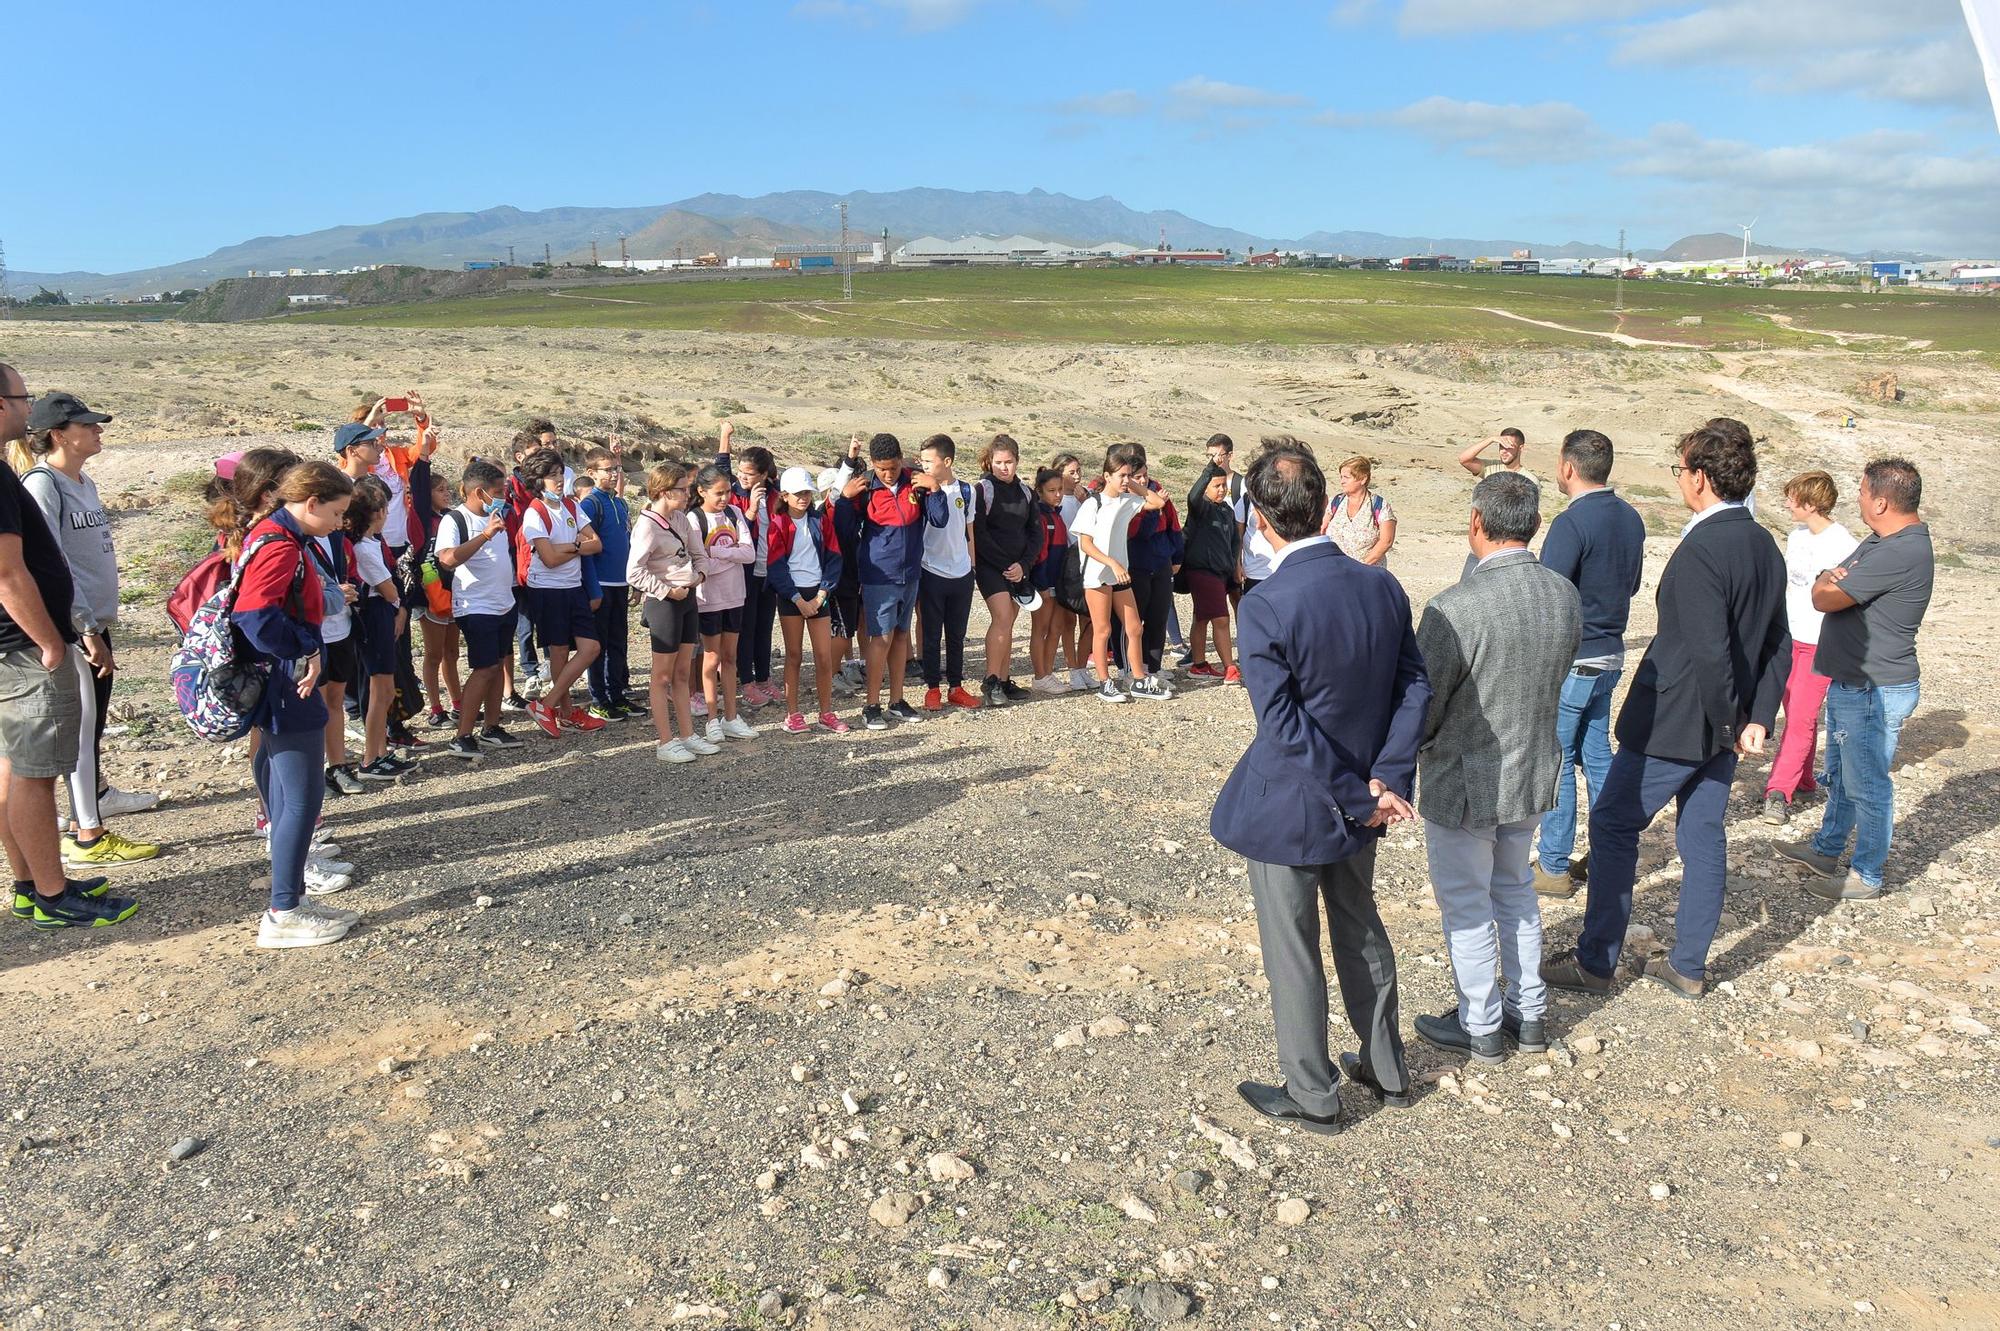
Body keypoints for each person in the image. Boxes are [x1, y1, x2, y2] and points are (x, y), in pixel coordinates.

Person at [1211, 443, 1431, 1132]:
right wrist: (1386, 777)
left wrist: (1365, 790)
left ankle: (1312, 1091)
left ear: (1261, 520)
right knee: (1360, 923)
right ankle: (1387, 1066)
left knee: (1294, 945)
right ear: (1321, 504)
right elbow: (1413, 685)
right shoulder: (1379, 585)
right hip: (1364, 791)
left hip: (1296, 800)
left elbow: (1281, 724)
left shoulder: (1267, 603)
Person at [1543, 422, 1788, 1001]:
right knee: (1702, 833)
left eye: (1680, 471)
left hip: (1679, 720)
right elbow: (1778, 642)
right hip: (1720, 722)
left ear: (1699, 477)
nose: (1679, 480)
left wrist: (1732, 723)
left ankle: (1596, 961)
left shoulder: (1705, 547)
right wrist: (1756, 717)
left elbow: (1709, 649)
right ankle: (1687, 965)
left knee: (1611, 822)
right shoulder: (1763, 543)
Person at [1413, 473, 1581, 1064]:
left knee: (1466, 902)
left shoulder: (1453, 606)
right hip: (1533, 767)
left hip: (1465, 778)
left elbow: (1423, 702)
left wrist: (1416, 748)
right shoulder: (1563, 594)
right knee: (1514, 891)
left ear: (1478, 523)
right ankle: (1528, 1012)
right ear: (1532, 523)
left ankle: (1480, 1021)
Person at [0, 364, 132, 930]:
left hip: (17, 646)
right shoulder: (20, 479)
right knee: (34, 772)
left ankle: (31, 883)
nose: (27, 409)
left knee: (13, 768)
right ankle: (53, 894)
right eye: (21, 398)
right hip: (24, 648)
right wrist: (52, 641)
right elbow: (8, 574)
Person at [12, 393, 163, 866]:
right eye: (88, 425)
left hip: (95, 622)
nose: (98, 431)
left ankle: (90, 804)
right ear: (59, 433)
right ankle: (87, 835)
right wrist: (84, 629)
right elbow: (52, 564)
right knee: (78, 729)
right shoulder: (43, 485)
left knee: (92, 723)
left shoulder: (85, 481)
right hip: (76, 628)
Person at [1776, 459, 1933, 900]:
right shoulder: (1881, 540)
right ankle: (1826, 849)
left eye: (1863, 492)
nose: (1858, 499)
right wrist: (1830, 581)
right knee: (1843, 775)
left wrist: (1829, 582)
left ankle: (1867, 874)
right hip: (1857, 681)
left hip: (1875, 688)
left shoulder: (1900, 550)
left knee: (1868, 783)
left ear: (1881, 501)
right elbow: (1831, 582)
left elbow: (1825, 596)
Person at [234, 460, 361, 948]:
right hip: (291, 684)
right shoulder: (281, 545)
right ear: (311, 503)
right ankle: (283, 911)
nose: (338, 524)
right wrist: (304, 650)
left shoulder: (279, 535)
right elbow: (255, 616)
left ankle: (292, 900)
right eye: (335, 513)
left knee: (286, 791)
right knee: (303, 799)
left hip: (282, 681)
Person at [1531, 429, 1647, 898]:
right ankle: (1606, 857)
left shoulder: (1571, 522)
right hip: (1611, 652)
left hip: (1575, 657)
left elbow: (1550, 594)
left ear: (1568, 467)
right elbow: (1634, 583)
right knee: (1597, 756)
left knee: (1558, 761)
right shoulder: (1631, 517)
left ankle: (1555, 865)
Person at [1760, 471, 1858, 826]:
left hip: (1821, 643)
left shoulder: (1843, 544)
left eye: (1792, 498)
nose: (1787, 504)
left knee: (1801, 717)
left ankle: (1778, 792)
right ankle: (1803, 779)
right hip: (1789, 636)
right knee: (1795, 713)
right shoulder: (1797, 536)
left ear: (1811, 503)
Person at [433, 460, 528, 760]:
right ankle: (462, 735)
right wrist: (485, 535)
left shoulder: (497, 516)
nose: (503, 497)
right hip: (475, 606)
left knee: (498, 663)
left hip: (503, 603)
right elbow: (447, 559)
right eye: (498, 492)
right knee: (484, 667)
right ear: (479, 492)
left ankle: (492, 726)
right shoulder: (455, 520)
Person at [837, 433, 933, 730]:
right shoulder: (865, 486)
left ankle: (897, 700)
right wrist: (844, 498)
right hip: (879, 575)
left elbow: (938, 518)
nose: (888, 474)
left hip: (910, 573)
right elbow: (843, 531)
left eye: (892, 467)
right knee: (881, 638)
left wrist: (937, 490)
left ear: (900, 459)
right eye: (881, 469)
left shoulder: (914, 481)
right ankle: (871, 705)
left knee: (902, 636)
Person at [628, 462, 719, 763]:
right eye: (682, 489)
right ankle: (665, 742)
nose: (688, 493)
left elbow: (699, 554)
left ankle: (687, 734)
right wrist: (667, 590)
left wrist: (700, 576)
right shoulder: (647, 526)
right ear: (665, 491)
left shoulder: (680, 518)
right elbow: (634, 572)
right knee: (662, 676)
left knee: (683, 672)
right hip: (664, 603)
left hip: (687, 597)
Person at [517, 449, 607, 740]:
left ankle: (547, 706)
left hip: (573, 586)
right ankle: (564, 712)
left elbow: (596, 544)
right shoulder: (534, 513)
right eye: (551, 475)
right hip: (547, 590)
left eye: (559, 473)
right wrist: (576, 546)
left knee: (590, 648)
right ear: (538, 481)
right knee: (558, 650)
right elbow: (548, 559)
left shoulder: (570, 505)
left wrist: (569, 548)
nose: (558, 480)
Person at [1075, 444, 1169, 703]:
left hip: (1119, 574)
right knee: (1102, 630)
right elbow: (1085, 544)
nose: (1126, 480)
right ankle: (1105, 683)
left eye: (1129, 474)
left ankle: (1138, 679)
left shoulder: (1128, 500)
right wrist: (1113, 563)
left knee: (1134, 627)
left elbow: (1158, 502)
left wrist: (1135, 485)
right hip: (1097, 575)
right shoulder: (1093, 504)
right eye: (1121, 475)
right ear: (1107, 476)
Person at [767, 466, 850, 734]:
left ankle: (826, 712)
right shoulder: (778, 523)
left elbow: (834, 557)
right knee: (793, 656)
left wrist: (823, 593)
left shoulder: (821, 521)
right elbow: (776, 565)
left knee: (824, 657)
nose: (804, 497)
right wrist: (796, 598)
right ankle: (793, 714)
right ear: (785, 495)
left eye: (807, 492)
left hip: (817, 593)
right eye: (798, 493)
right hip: (792, 595)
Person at [346, 479, 414, 782]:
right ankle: (371, 756)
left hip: (383, 613)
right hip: (374, 615)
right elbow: (387, 588)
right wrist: (398, 604)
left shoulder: (374, 542)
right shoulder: (363, 547)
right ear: (376, 512)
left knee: (385, 689)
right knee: (379, 689)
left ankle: (380, 751)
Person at [690, 463, 760, 743]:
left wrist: (717, 552)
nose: (724, 498)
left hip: (734, 595)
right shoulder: (695, 519)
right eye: (718, 493)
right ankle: (711, 719)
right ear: (701, 491)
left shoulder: (735, 513)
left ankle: (731, 716)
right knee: (711, 658)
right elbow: (699, 562)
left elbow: (750, 554)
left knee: (730, 657)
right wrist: (729, 554)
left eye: (728, 492)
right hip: (708, 599)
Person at [717, 422, 782, 709]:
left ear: (765, 475)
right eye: (740, 473)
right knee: (746, 627)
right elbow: (720, 467)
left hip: (769, 570)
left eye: (749, 474)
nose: (742, 478)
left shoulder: (776, 494)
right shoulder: (734, 496)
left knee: (765, 626)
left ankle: (764, 678)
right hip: (744, 572)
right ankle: (747, 683)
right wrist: (725, 437)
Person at [972, 435, 1039, 708]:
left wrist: (1023, 565)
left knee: (1008, 623)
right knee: (1001, 618)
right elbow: (979, 533)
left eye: (1008, 462)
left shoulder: (1026, 492)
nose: (1004, 468)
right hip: (992, 567)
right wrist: (1005, 566)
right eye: (998, 462)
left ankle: (1003, 678)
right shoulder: (982, 489)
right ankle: (991, 682)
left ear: (1017, 461)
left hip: (1018, 569)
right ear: (990, 462)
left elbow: (1035, 533)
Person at [916, 434, 980, 713]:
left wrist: (972, 568)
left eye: (930, 461)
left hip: (962, 573)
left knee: (957, 634)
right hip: (931, 570)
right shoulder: (920, 489)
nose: (925, 466)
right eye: (923, 461)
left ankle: (956, 686)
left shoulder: (967, 491)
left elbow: (970, 531)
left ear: (948, 461)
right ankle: (932, 688)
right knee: (931, 634)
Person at [579, 446, 638, 721]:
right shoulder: (591, 504)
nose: (613, 474)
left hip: (620, 582)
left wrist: (635, 581)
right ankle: (598, 698)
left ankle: (617, 694)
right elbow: (587, 550)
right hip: (601, 583)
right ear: (591, 473)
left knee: (618, 641)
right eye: (607, 470)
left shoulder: (620, 502)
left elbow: (627, 543)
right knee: (599, 644)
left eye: (615, 469)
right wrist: (592, 588)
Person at [1123, 462, 1185, 685]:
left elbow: (1174, 526)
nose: (1142, 481)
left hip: (1161, 562)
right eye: (1136, 477)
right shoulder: (1126, 500)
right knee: (1135, 621)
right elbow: (1138, 533)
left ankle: (1153, 668)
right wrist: (1152, 508)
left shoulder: (1157, 493)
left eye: (1145, 476)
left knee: (1158, 617)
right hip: (1136, 566)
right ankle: (1132, 669)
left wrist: (1177, 557)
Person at [1183, 463, 1240, 682]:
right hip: (1203, 571)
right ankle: (1229, 668)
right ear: (1206, 487)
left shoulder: (1226, 510)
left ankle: (1198, 665)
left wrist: (1236, 568)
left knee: (1201, 617)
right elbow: (1192, 497)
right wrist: (1210, 468)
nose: (1222, 490)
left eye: (1224, 485)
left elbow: (1234, 543)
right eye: (1216, 486)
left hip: (1222, 572)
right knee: (1221, 619)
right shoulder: (1201, 508)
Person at [417, 472, 464, 729]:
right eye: (440, 490)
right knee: (433, 653)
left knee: (452, 652)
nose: (446, 494)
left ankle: (458, 703)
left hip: (452, 589)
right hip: (430, 592)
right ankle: (435, 708)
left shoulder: (451, 518)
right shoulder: (422, 521)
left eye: (447, 489)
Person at [1027, 467, 1077, 693]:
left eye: (1059, 490)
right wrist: (1042, 585)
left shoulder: (1055, 514)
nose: (1057, 494)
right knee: (1041, 628)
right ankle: (1040, 675)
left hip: (1057, 581)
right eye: (1051, 490)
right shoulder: (1040, 515)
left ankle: (1047, 673)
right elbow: (1040, 554)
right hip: (1044, 583)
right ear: (1040, 491)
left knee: (1055, 627)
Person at [1322, 456, 1396, 567]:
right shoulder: (1335, 503)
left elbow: (1386, 542)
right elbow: (1321, 531)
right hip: (1335, 571)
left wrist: (1360, 567)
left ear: (1363, 479)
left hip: (1367, 573)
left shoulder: (1379, 506)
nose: (1342, 481)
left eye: (1346, 477)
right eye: (1341, 477)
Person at [1458, 427, 1536, 488]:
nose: (1504, 451)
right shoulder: (1491, 467)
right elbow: (1464, 460)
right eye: (1502, 446)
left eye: (1509, 446)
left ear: (1520, 448)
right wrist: (1491, 439)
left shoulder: (1530, 480)